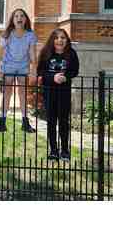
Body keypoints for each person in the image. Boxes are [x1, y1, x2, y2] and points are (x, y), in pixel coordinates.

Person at [37, 28, 80, 161]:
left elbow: (74, 71)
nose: (60, 40)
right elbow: (41, 72)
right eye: (57, 38)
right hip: (49, 92)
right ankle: (53, 150)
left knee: (63, 121)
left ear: (67, 40)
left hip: (64, 92)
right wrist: (53, 77)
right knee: (51, 121)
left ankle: (65, 151)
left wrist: (65, 77)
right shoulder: (46, 53)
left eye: (63, 37)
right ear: (52, 40)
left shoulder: (71, 53)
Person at [0, 8, 38, 133]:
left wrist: (33, 70)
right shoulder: (7, 34)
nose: (19, 18)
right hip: (8, 66)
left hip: (23, 67)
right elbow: (0, 53)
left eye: (22, 16)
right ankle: (2, 122)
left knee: (22, 93)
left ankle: (25, 122)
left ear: (25, 19)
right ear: (12, 20)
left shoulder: (30, 35)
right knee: (7, 92)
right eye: (16, 16)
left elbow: (32, 54)